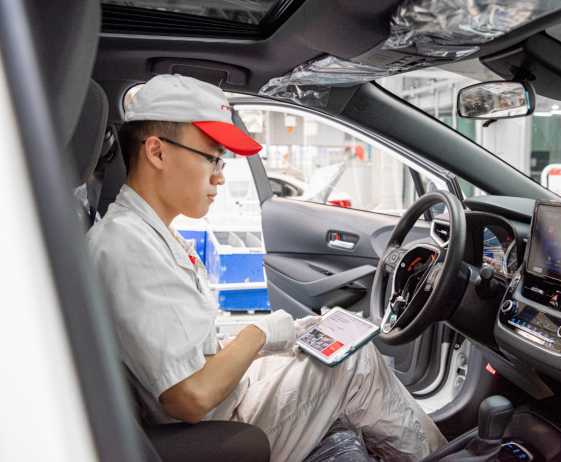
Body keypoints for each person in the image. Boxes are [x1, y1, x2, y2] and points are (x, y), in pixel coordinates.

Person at [87, 74, 447, 461]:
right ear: (157, 153)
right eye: (211, 158)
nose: (220, 176)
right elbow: (189, 397)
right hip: (215, 426)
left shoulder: (145, 233)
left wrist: (285, 336)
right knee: (355, 364)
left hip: (226, 402)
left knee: (320, 350)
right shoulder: (127, 246)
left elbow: (188, 353)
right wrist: (260, 333)